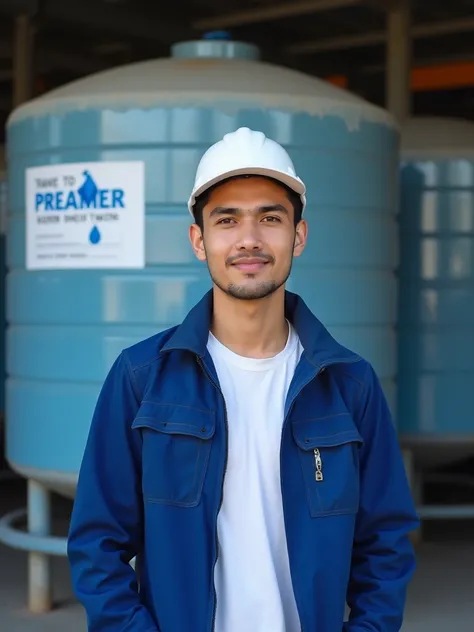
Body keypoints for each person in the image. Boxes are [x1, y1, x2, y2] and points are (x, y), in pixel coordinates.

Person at [67, 127, 419, 632]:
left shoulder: (350, 385)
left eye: (270, 218)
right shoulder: (141, 379)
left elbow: (384, 546)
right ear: (199, 240)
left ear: (298, 235)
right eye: (226, 220)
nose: (249, 239)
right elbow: (96, 544)